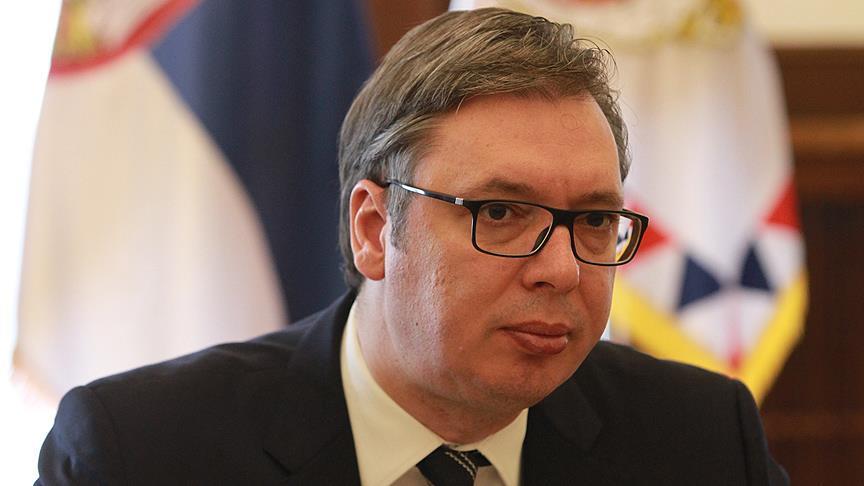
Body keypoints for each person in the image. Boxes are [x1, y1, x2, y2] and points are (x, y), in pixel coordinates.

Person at [36, 7, 788, 485]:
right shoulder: (144, 453)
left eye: (594, 221)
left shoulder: (699, 442)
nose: (562, 269)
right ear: (373, 229)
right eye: (501, 212)